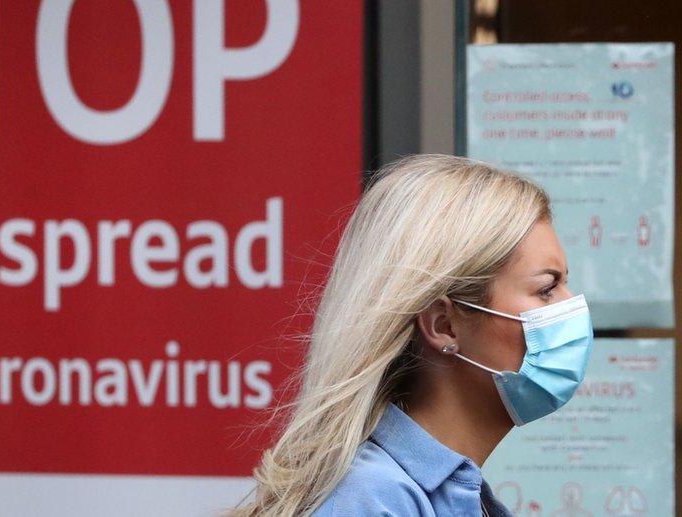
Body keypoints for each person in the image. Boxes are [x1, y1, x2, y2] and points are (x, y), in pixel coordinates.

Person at [225, 154, 594, 516]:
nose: (572, 306)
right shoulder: (373, 499)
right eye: (547, 288)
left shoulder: (452, 496)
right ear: (443, 325)